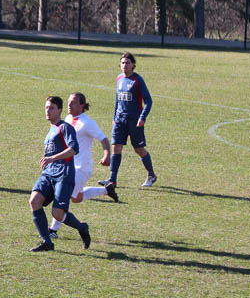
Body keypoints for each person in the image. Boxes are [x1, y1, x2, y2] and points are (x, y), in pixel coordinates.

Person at [49, 92, 116, 240]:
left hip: (81, 168)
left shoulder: (88, 123)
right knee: (76, 198)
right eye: (68, 101)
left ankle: (53, 230)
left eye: (73, 102)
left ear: (82, 105)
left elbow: (103, 139)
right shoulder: (68, 118)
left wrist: (106, 154)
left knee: (63, 196)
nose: (69, 104)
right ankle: (107, 189)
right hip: (68, 166)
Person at [29, 95, 91, 252]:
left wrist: (52, 158)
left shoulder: (65, 127)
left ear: (60, 110)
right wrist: (48, 161)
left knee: (57, 213)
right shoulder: (51, 129)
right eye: (46, 108)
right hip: (49, 174)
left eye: (51, 108)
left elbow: (73, 149)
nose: (47, 111)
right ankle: (47, 242)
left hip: (64, 174)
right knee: (34, 201)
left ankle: (82, 227)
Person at [102, 52, 156, 188]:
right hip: (120, 120)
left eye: (127, 63)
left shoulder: (137, 80)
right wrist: (114, 116)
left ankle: (151, 175)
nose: (124, 65)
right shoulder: (119, 78)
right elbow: (117, 99)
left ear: (133, 65)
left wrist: (142, 117)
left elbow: (148, 101)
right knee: (116, 147)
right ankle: (112, 180)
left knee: (138, 149)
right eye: (122, 63)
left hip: (134, 120)